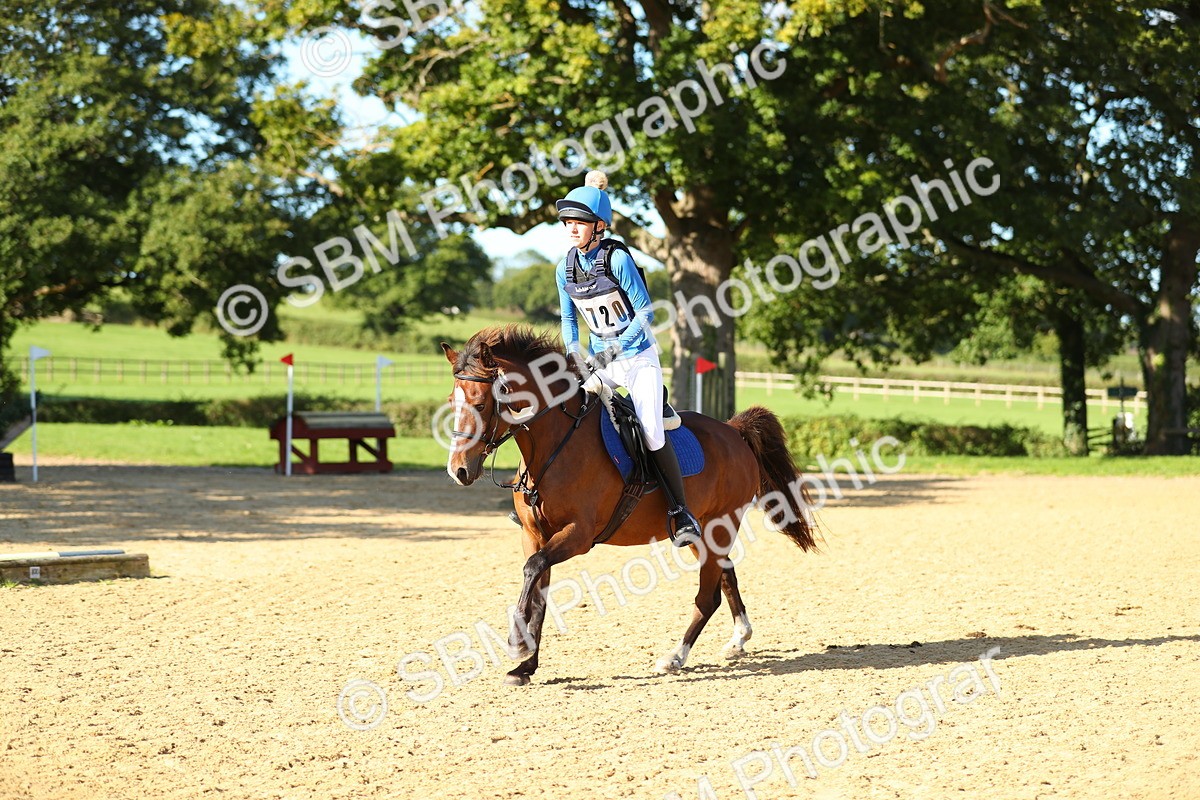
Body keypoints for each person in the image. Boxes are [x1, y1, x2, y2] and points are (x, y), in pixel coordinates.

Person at [554, 170, 703, 548]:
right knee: (568, 412)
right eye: (568, 222)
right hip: (600, 361)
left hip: (637, 358)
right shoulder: (563, 268)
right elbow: (569, 320)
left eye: (579, 222)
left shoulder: (618, 259)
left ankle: (680, 511)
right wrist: (574, 352)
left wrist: (614, 350)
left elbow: (645, 313)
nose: (572, 229)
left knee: (651, 430)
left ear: (599, 226)